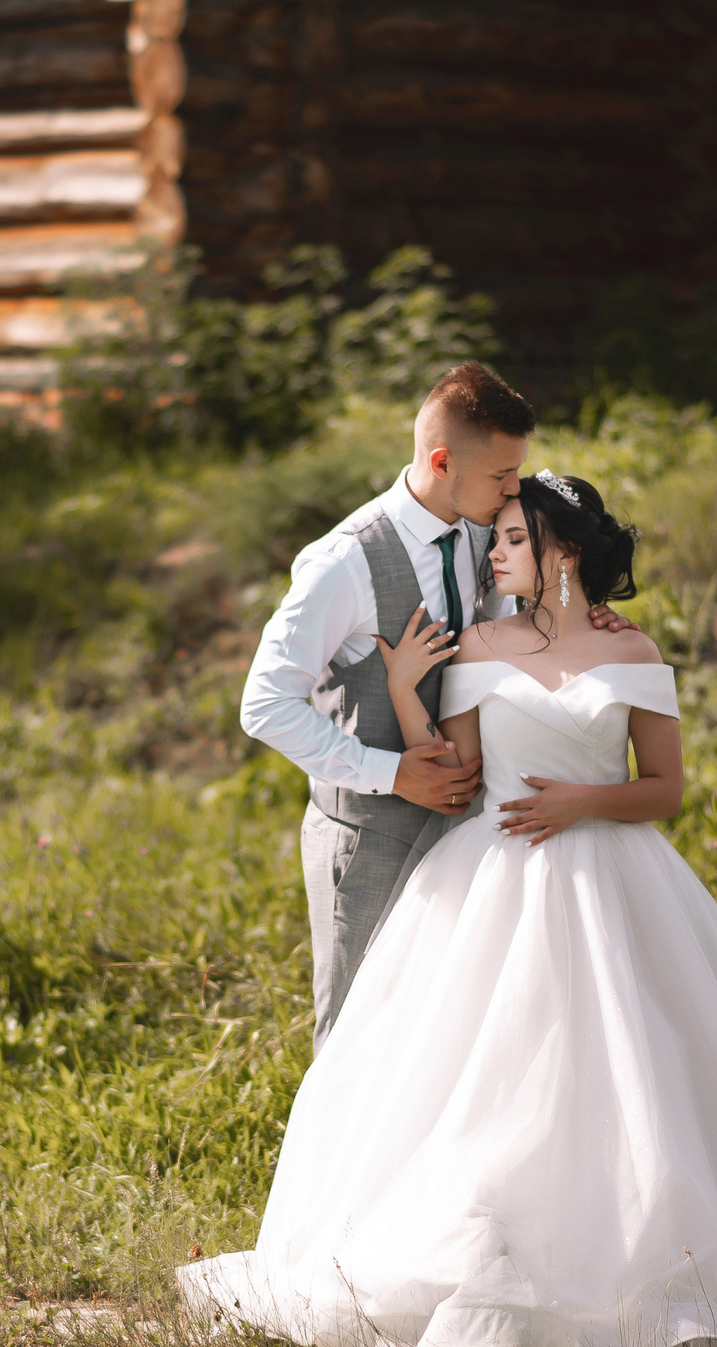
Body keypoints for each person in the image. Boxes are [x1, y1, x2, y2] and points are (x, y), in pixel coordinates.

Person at [184, 471, 717, 1347]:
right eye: (498, 537)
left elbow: (664, 788)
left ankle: (651, 1280)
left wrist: (582, 802)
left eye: (514, 538)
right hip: (493, 878)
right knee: (492, 1081)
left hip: (615, 883)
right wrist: (402, 688)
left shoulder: (633, 650)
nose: (496, 553)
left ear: (566, 553)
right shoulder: (478, 643)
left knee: (637, 1078)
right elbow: (454, 774)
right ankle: (493, 1284)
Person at [239, 360, 632, 1050]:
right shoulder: (344, 562)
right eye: (502, 475)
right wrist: (391, 773)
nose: (515, 490)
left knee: (449, 1036)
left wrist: (587, 622)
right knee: (358, 1035)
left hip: (473, 832)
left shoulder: (488, 531)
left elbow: (531, 619)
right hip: (372, 837)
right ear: (442, 461)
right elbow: (265, 703)